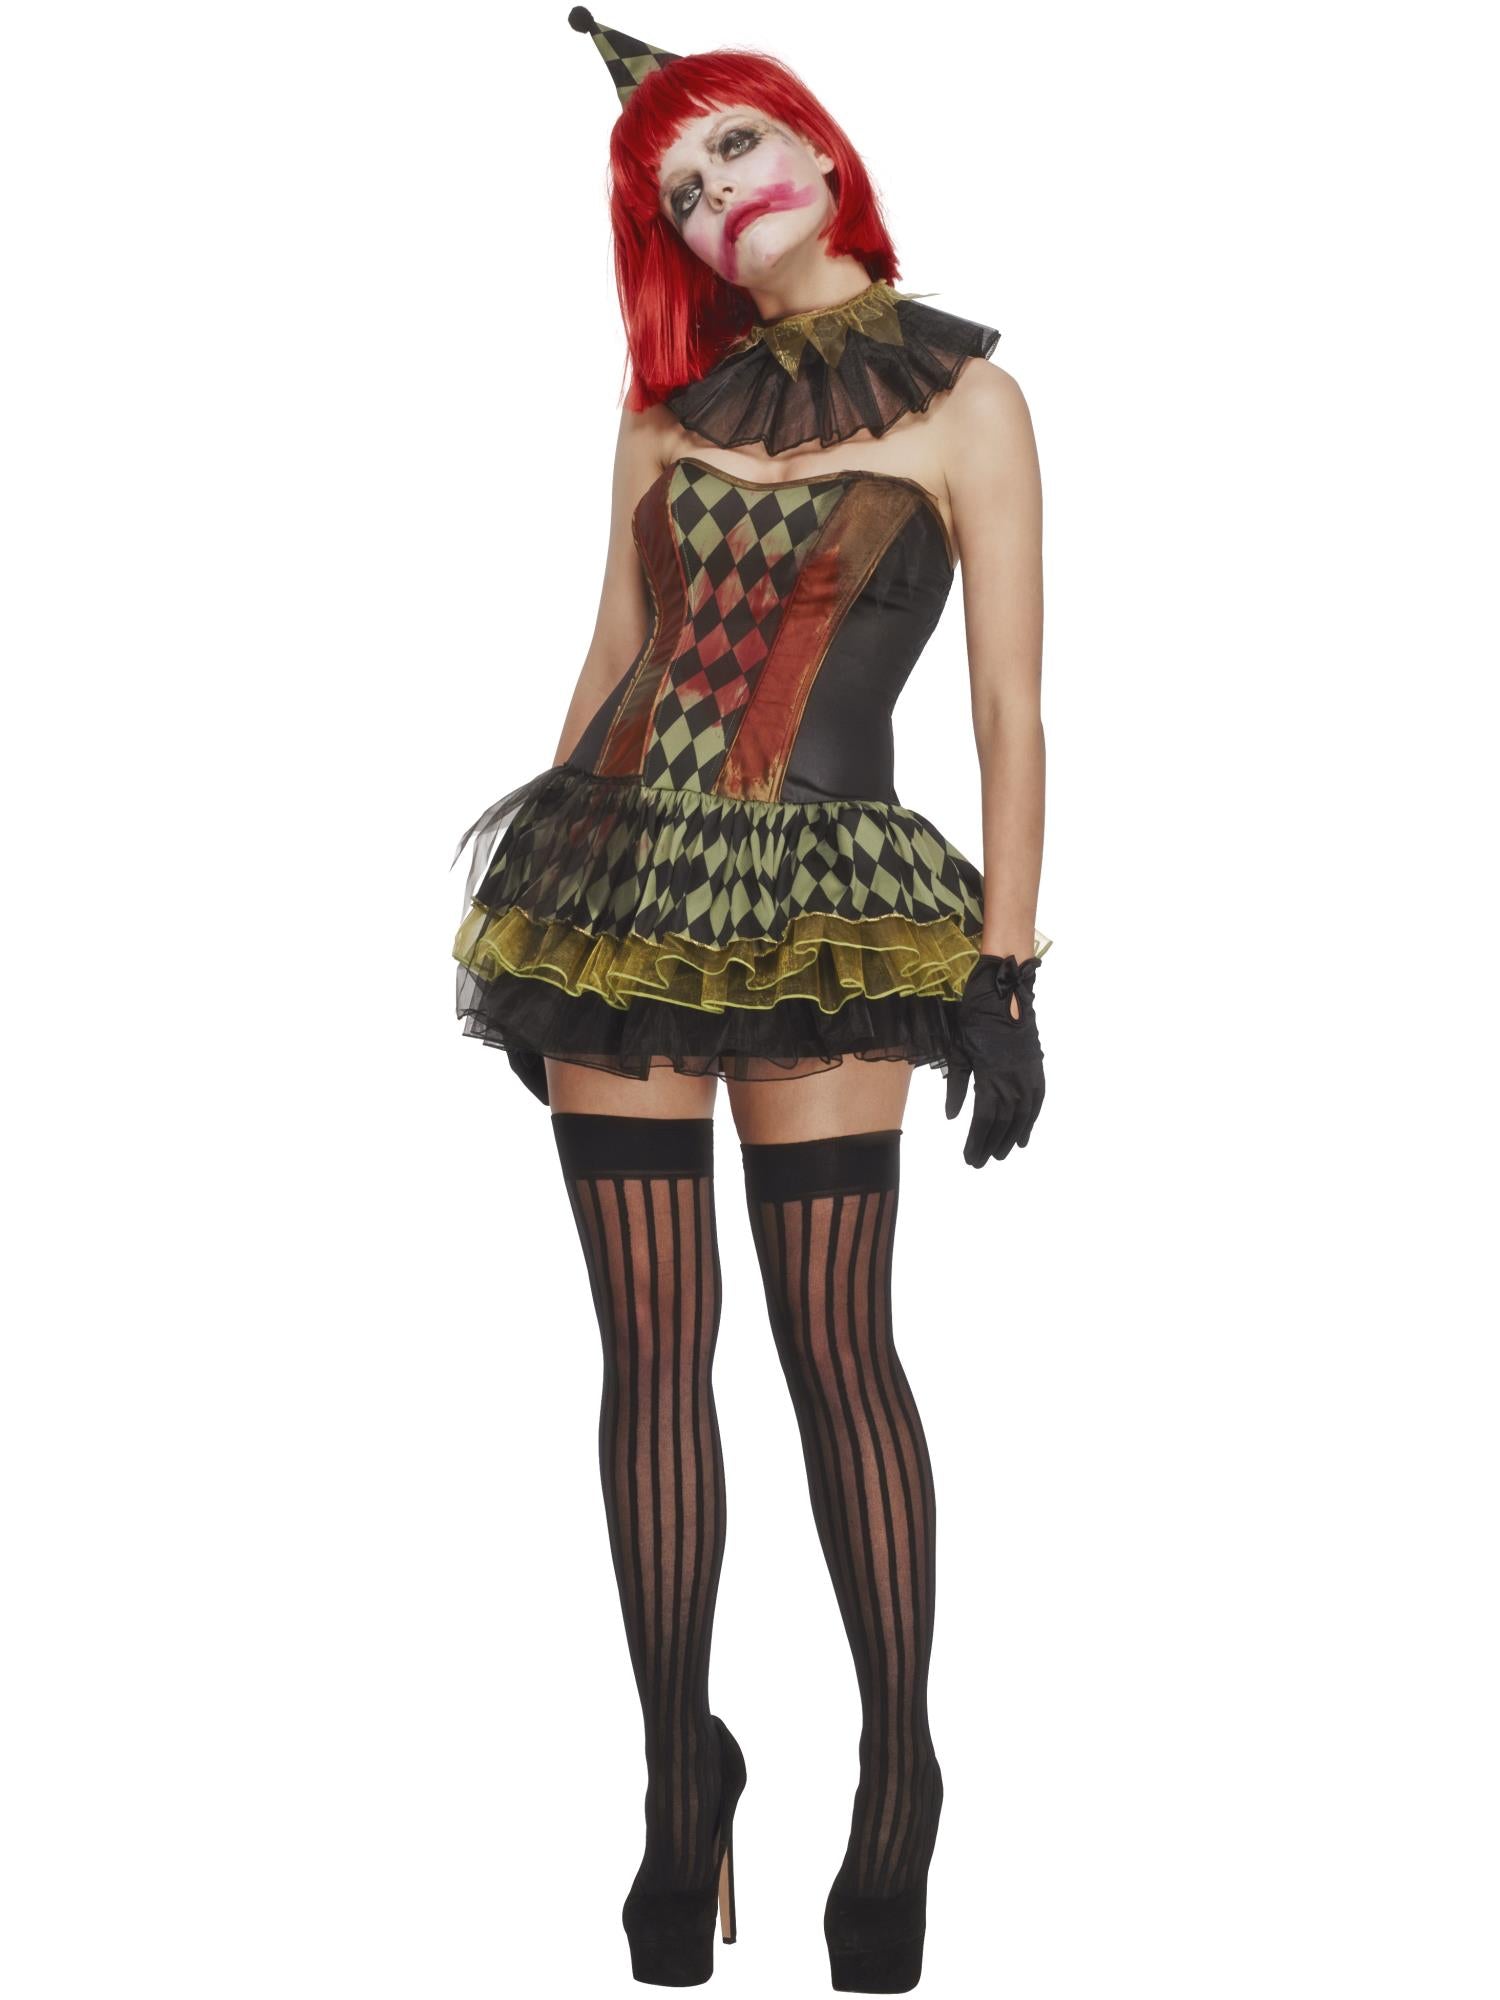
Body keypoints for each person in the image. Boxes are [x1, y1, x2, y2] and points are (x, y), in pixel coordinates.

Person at [450, 11, 1049, 1989]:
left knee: (832, 1346)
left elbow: (1010, 708)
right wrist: (535, 924)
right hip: (621, 894)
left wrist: (1005, 973)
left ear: (813, 142)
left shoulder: (966, 402)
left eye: (730, 148)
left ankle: (898, 1780)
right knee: (648, 1354)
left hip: (830, 908)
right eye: (678, 190)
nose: (715, 196)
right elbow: (605, 665)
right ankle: (675, 1779)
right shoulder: (660, 414)